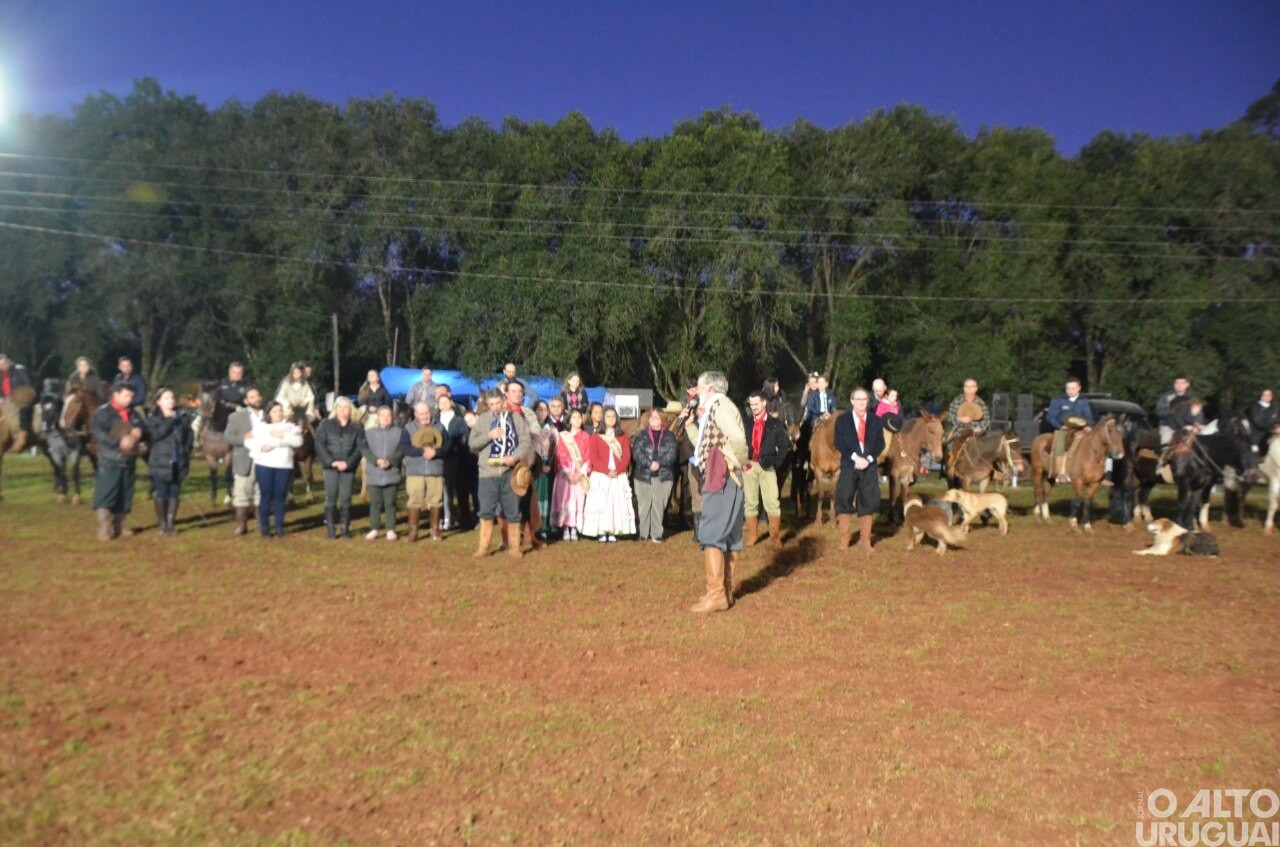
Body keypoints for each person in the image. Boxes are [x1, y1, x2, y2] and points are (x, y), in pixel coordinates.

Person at [686, 371, 748, 613]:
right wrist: (690, 426)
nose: (697, 393)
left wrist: (739, 461)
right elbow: (706, 445)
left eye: (700, 388)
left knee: (711, 532)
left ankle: (717, 595)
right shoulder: (717, 407)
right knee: (730, 535)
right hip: (725, 475)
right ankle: (725, 591)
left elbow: (737, 438)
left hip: (722, 475)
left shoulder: (719, 405)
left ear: (710, 388)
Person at [468, 387, 535, 558]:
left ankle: (514, 548)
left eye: (498, 403)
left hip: (509, 472)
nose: (495, 407)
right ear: (487, 404)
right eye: (491, 404)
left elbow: (525, 441)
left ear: (503, 401)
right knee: (486, 511)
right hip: (487, 474)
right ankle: (483, 548)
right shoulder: (482, 420)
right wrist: (488, 436)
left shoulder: (516, 418)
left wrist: (515, 457)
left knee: (513, 511)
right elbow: (472, 444)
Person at [90, 380, 146, 541]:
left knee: (125, 495)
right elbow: (98, 433)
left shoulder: (134, 413)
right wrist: (118, 441)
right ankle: (104, 527)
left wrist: (139, 431)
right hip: (110, 460)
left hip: (129, 460)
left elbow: (143, 428)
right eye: (126, 395)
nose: (130, 399)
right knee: (105, 495)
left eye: (131, 396)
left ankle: (119, 526)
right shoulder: (103, 413)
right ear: (116, 395)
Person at [833, 387, 885, 553]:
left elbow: (880, 444)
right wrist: (855, 458)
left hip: (869, 467)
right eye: (858, 399)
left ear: (868, 401)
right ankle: (844, 540)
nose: (862, 402)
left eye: (864, 399)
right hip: (849, 465)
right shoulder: (842, 420)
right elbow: (839, 443)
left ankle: (865, 540)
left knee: (868, 501)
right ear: (852, 401)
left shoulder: (876, 421)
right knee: (844, 499)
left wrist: (868, 459)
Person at [742, 391, 791, 550]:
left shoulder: (775, 424)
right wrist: (743, 461)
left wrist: (776, 462)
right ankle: (752, 535)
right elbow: (740, 443)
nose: (753, 407)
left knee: (772, 502)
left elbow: (784, 447)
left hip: (768, 466)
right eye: (751, 404)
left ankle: (775, 537)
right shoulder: (746, 422)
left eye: (756, 404)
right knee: (750, 502)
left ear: (764, 403)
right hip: (749, 465)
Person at [249, 401, 304, 538]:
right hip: (264, 464)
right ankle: (265, 528)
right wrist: (264, 446)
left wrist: (280, 440)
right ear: (268, 413)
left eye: (280, 410)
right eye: (275, 411)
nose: (278, 413)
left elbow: (298, 441)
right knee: (265, 496)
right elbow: (254, 442)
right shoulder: (261, 427)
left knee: (280, 496)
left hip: (283, 465)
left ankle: (279, 527)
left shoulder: (289, 427)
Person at [316, 396, 368, 539]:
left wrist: (349, 463)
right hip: (330, 468)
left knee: (346, 498)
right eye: (340, 407)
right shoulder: (325, 425)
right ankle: (331, 528)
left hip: (348, 468)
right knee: (331, 498)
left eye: (346, 407)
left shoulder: (357, 427)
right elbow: (320, 446)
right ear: (335, 409)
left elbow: (360, 448)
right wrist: (330, 461)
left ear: (351, 410)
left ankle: (345, 527)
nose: (343, 410)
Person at [582, 407, 635, 542]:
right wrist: (606, 471)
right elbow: (593, 457)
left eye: (613, 416)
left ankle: (613, 531)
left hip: (617, 475)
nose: (611, 419)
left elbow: (626, 456)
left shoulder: (622, 437)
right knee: (601, 504)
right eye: (608, 416)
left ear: (617, 419)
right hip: (601, 475)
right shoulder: (596, 436)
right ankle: (601, 531)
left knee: (615, 504)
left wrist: (618, 470)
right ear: (603, 419)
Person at [145, 387, 194, 537]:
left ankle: (171, 523)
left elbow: (189, 436)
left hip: (178, 460)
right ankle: (162, 523)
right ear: (158, 402)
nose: (170, 401)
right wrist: (170, 421)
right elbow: (156, 435)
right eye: (166, 398)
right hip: (160, 460)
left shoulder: (182, 418)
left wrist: (186, 450)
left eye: (172, 398)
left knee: (174, 493)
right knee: (161, 493)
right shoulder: (154, 419)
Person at [400, 401, 447, 542]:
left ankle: (435, 531)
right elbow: (404, 447)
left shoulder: (440, 427)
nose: (425, 416)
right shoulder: (408, 428)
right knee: (414, 500)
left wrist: (436, 452)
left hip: (435, 469)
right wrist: (422, 451)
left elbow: (448, 445)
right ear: (416, 414)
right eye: (422, 413)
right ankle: (413, 532)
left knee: (436, 500)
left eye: (427, 413)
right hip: (415, 470)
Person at [631, 406, 679, 543]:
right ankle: (643, 533)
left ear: (662, 420)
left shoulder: (670, 437)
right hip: (643, 475)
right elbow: (637, 452)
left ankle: (657, 534)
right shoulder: (641, 435)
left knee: (659, 505)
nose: (653, 419)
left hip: (663, 476)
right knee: (643, 505)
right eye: (652, 417)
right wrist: (648, 463)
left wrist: (659, 463)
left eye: (656, 417)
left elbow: (672, 454)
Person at [223, 387, 265, 536]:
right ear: (246, 401)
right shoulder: (236, 417)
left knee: (262, 493)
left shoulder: (269, 415)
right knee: (241, 494)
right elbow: (228, 436)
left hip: (265, 459)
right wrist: (243, 438)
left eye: (258, 395)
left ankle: (261, 524)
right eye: (252, 397)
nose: (256, 399)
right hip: (244, 460)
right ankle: (241, 525)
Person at [362, 405, 404, 541]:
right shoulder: (369, 433)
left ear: (392, 417)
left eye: (389, 415)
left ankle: (391, 529)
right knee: (375, 503)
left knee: (390, 503)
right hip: (374, 472)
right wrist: (376, 460)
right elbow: (364, 449)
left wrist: (391, 461)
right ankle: (374, 528)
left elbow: (402, 450)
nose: (386, 418)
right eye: (383, 415)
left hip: (392, 473)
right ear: (378, 418)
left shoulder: (399, 432)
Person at [552, 408, 593, 541]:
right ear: (569, 420)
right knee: (566, 499)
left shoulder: (586, 436)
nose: (577, 420)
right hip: (566, 473)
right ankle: (565, 527)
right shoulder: (563, 436)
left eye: (579, 417)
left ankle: (575, 527)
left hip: (579, 472)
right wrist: (567, 472)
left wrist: (580, 473)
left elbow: (588, 456)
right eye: (574, 417)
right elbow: (559, 455)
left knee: (578, 500)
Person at [1045, 377, 1095, 482]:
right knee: (1059, 444)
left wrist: (1088, 426)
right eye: (1068, 388)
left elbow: (1089, 417)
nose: (1070, 391)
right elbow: (1050, 417)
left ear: (1079, 388)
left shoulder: (1084, 402)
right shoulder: (1058, 400)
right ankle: (1060, 473)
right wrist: (1060, 426)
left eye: (1073, 389)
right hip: (1063, 429)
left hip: (1080, 430)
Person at [437, 391, 472, 531]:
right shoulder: (435, 420)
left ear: (451, 403)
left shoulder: (459, 420)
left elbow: (466, 437)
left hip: (456, 458)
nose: (443, 404)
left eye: (446, 402)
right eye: (441, 402)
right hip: (439, 458)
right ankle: (445, 518)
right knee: (443, 491)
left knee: (460, 490)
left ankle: (465, 519)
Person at [533, 400, 558, 540]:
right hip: (533, 469)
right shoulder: (530, 427)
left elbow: (554, 449)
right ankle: (533, 526)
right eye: (539, 409)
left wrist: (548, 463)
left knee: (545, 496)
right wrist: (537, 465)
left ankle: (545, 526)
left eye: (544, 410)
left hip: (547, 470)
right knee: (533, 497)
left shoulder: (551, 429)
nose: (542, 413)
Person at [0, 353, 35, 452]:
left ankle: (22, 434)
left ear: (8, 362)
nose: (1, 367)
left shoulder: (19, 371)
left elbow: (27, 385)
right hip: (5, 400)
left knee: (23, 410)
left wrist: (16, 396)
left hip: (20, 398)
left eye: (3, 364)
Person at [1155, 375, 1193, 445]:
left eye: (1182, 383)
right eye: (1176, 383)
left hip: (1187, 427)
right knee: (1166, 442)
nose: (1179, 385)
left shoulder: (1191, 398)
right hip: (1168, 426)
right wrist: (1170, 410)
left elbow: (1197, 413)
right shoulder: (1166, 397)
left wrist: (1197, 423)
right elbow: (1159, 412)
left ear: (1187, 384)